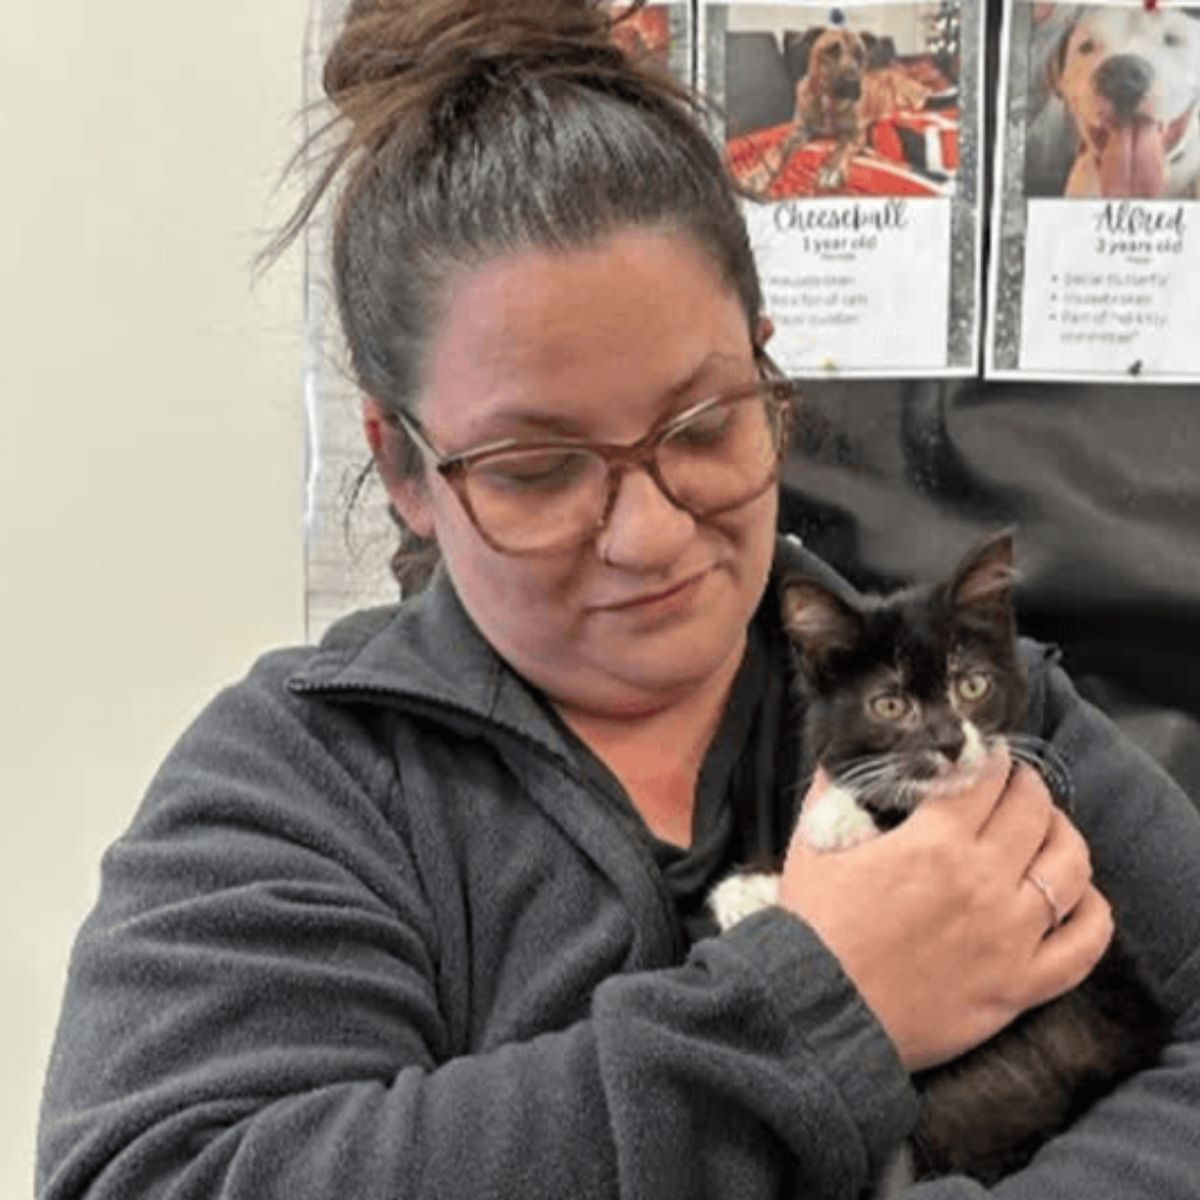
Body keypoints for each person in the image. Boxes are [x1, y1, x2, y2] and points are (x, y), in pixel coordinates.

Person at [36, 2, 1200, 1197]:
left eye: (703, 429)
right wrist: (817, 1003)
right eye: (536, 470)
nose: (648, 536)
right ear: (404, 472)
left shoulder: (979, 705)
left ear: (766, 367)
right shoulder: (304, 785)